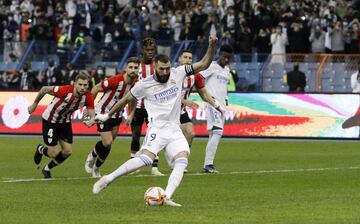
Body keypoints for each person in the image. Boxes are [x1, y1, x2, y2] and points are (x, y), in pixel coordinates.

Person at [92, 36, 222, 207]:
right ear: (155, 67)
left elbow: (204, 64)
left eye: (167, 68)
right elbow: (124, 100)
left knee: (182, 161)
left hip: (174, 130)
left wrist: (212, 45)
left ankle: (166, 196)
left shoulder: (178, 72)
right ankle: (108, 179)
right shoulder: (144, 84)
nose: (165, 72)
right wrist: (107, 116)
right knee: (145, 160)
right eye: (162, 69)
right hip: (157, 129)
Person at [28, 73, 95, 178]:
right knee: (53, 153)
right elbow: (44, 89)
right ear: (75, 84)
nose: (82, 88)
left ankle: (46, 169)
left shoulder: (88, 96)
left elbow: (92, 114)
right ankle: (41, 149)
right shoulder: (64, 90)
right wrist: (34, 104)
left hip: (64, 122)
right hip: (50, 120)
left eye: (85, 85)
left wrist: (91, 121)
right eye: (80, 84)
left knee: (67, 151)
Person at [84, 57, 140, 178]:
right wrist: (89, 108)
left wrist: (131, 114)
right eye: (130, 67)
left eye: (136, 68)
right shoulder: (116, 80)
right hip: (102, 112)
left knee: (108, 144)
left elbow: (133, 99)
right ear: (126, 68)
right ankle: (92, 156)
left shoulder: (136, 83)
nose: (133, 70)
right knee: (107, 142)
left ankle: (96, 168)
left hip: (117, 115)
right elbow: (95, 88)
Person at [177, 49, 224, 173]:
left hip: (180, 111)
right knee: (165, 138)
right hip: (167, 110)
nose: (187, 60)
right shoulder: (173, 73)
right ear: (180, 59)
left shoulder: (195, 76)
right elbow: (168, 94)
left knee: (190, 134)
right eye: (185, 57)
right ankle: (152, 163)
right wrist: (185, 101)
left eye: (190, 58)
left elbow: (204, 94)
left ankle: (181, 163)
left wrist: (217, 106)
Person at [130, 37, 163, 176]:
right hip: (138, 106)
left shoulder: (158, 65)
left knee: (155, 136)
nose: (150, 52)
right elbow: (131, 88)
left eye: (152, 50)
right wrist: (130, 111)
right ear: (143, 50)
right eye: (147, 49)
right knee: (136, 135)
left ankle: (154, 167)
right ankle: (133, 165)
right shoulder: (137, 67)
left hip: (154, 108)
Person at [200, 44, 233, 173]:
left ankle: (208, 164)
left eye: (228, 57)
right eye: (224, 56)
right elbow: (199, 79)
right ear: (220, 54)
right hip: (212, 102)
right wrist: (205, 95)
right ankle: (208, 165)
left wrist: (226, 99)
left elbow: (224, 88)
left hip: (222, 106)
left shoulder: (227, 70)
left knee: (214, 134)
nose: (226, 59)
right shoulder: (211, 67)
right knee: (217, 131)